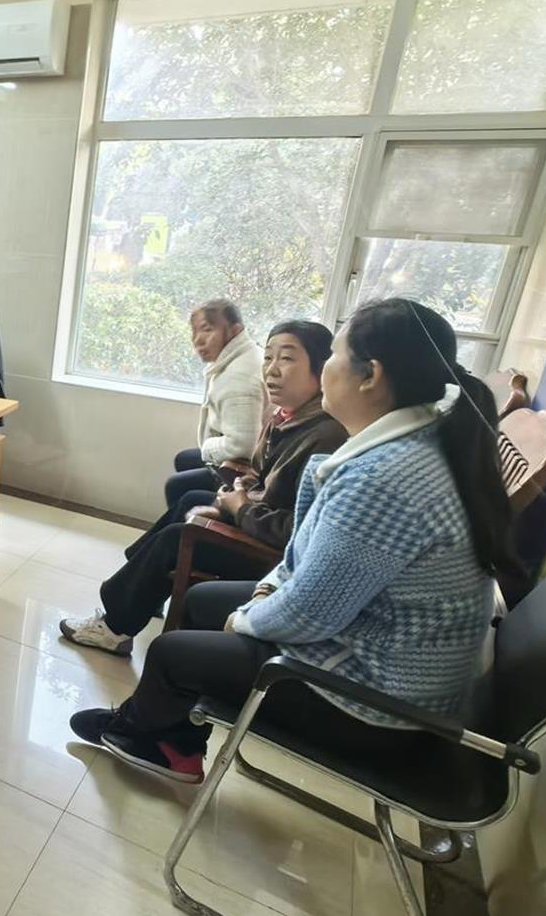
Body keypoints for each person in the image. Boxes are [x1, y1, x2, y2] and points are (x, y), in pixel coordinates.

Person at [68, 298, 514, 784]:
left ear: (370, 375)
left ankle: (152, 739)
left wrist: (246, 618)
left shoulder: (383, 480)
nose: (325, 371)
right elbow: (308, 555)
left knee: (171, 653)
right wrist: (265, 592)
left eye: (334, 356)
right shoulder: (409, 445)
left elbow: (310, 614)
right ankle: (173, 737)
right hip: (371, 648)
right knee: (199, 600)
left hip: (378, 707)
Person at [59, 321, 346, 655]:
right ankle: (142, 586)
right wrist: (232, 497)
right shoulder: (287, 416)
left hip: (272, 555)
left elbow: (297, 530)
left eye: (287, 358)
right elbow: (256, 473)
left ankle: (115, 627)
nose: (272, 370)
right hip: (256, 518)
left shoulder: (325, 436)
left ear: (321, 368)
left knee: (177, 536)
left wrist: (240, 508)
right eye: (268, 357)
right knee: (191, 499)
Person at [165, 300, 267, 509]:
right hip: (251, 459)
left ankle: (184, 527)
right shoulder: (245, 353)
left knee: (177, 486)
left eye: (207, 330)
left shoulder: (239, 376)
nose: (198, 340)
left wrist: (207, 446)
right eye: (195, 331)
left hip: (248, 471)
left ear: (235, 330)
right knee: (184, 459)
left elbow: (242, 446)